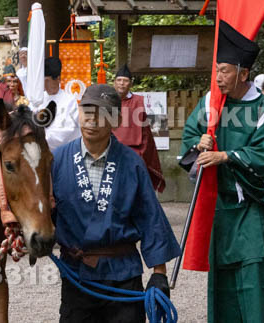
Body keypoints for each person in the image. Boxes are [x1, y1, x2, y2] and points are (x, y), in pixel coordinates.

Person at [181, 21, 264, 323]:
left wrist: (226, 156)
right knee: (221, 281)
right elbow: (190, 139)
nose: (218, 77)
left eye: (225, 70)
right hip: (219, 207)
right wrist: (199, 142)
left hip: (251, 208)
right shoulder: (211, 103)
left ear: (244, 74)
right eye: (216, 70)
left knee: (251, 273)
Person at [52, 84, 178, 323]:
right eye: (87, 110)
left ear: (117, 120)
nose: (93, 119)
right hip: (77, 276)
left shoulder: (132, 163)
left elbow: (150, 217)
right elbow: (42, 213)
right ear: (78, 112)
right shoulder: (57, 160)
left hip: (123, 275)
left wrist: (159, 274)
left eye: (103, 113)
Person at [111, 65, 165, 193]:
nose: (122, 84)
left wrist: (141, 153)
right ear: (114, 82)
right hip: (111, 149)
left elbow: (145, 132)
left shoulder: (138, 101)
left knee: (132, 188)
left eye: (125, 81)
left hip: (133, 151)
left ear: (131, 83)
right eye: (119, 80)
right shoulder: (109, 100)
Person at [30, 56, 79, 149]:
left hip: (64, 152)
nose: (44, 85)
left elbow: (61, 136)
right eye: (42, 81)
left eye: (47, 81)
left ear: (58, 79)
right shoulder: (38, 99)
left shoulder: (69, 102)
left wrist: (34, 137)